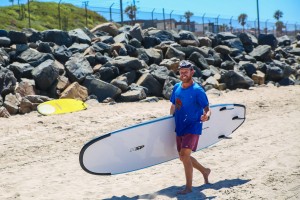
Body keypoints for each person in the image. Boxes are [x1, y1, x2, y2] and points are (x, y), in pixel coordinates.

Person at [170, 60, 211, 195]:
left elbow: (207, 108)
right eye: (181, 72)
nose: (183, 75)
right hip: (180, 125)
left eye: (186, 72)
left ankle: (188, 188)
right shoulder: (176, 87)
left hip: (193, 125)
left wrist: (206, 116)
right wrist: (169, 121)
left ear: (192, 72)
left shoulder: (198, 90)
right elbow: (173, 106)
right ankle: (205, 171)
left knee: (184, 155)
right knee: (183, 157)